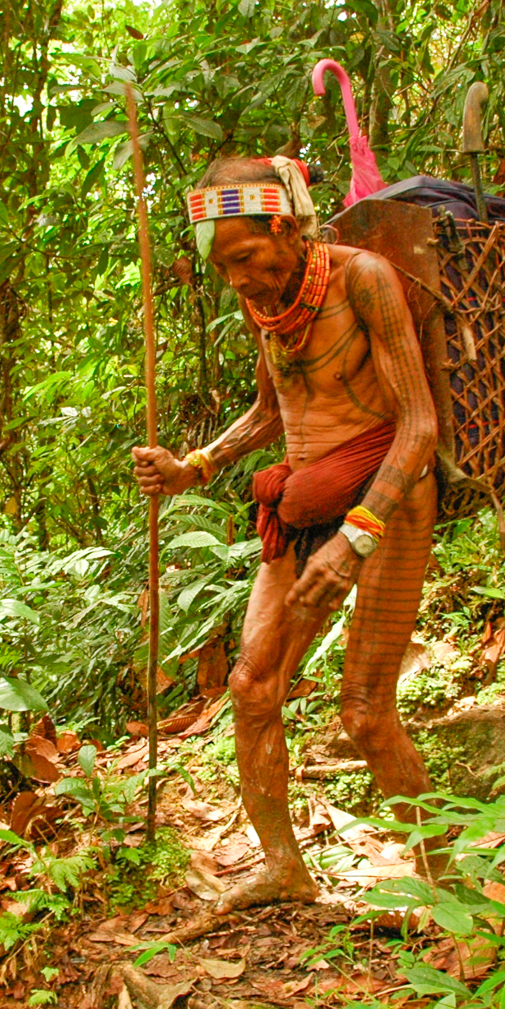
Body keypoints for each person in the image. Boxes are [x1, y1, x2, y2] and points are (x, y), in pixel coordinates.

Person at [132, 156, 440, 913]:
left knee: (365, 711)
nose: (237, 279)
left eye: (245, 257)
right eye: (222, 267)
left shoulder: (363, 279)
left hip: (390, 496)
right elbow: (271, 413)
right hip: (307, 507)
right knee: (251, 687)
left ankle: (450, 886)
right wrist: (194, 466)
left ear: (283, 228)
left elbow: (420, 424)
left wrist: (356, 536)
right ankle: (284, 870)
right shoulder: (265, 305)